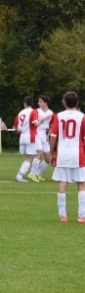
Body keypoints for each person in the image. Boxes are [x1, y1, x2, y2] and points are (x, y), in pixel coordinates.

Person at [48, 92, 85, 223]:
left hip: (62, 154)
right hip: (78, 154)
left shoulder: (59, 116)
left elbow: (53, 137)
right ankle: (81, 216)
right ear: (77, 102)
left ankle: (63, 216)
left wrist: (52, 153)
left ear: (64, 102)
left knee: (63, 182)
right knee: (81, 184)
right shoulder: (82, 117)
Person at [14, 96, 40, 183]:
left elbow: (16, 128)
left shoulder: (21, 113)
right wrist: (42, 121)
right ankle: (19, 176)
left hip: (22, 137)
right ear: (32, 103)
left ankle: (19, 175)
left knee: (28, 158)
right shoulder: (33, 111)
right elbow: (36, 123)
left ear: (25, 103)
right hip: (30, 137)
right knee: (30, 158)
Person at [30, 95, 53, 182]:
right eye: (38, 101)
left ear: (45, 103)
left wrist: (48, 135)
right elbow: (36, 124)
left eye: (40, 101)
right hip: (36, 134)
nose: (38, 103)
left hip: (44, 135)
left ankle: (37, 174)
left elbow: (51, 126)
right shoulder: (36, 111)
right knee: (40, 154)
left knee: (48, 157)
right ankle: (32, 174)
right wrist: (43, 119)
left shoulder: (51, 113)